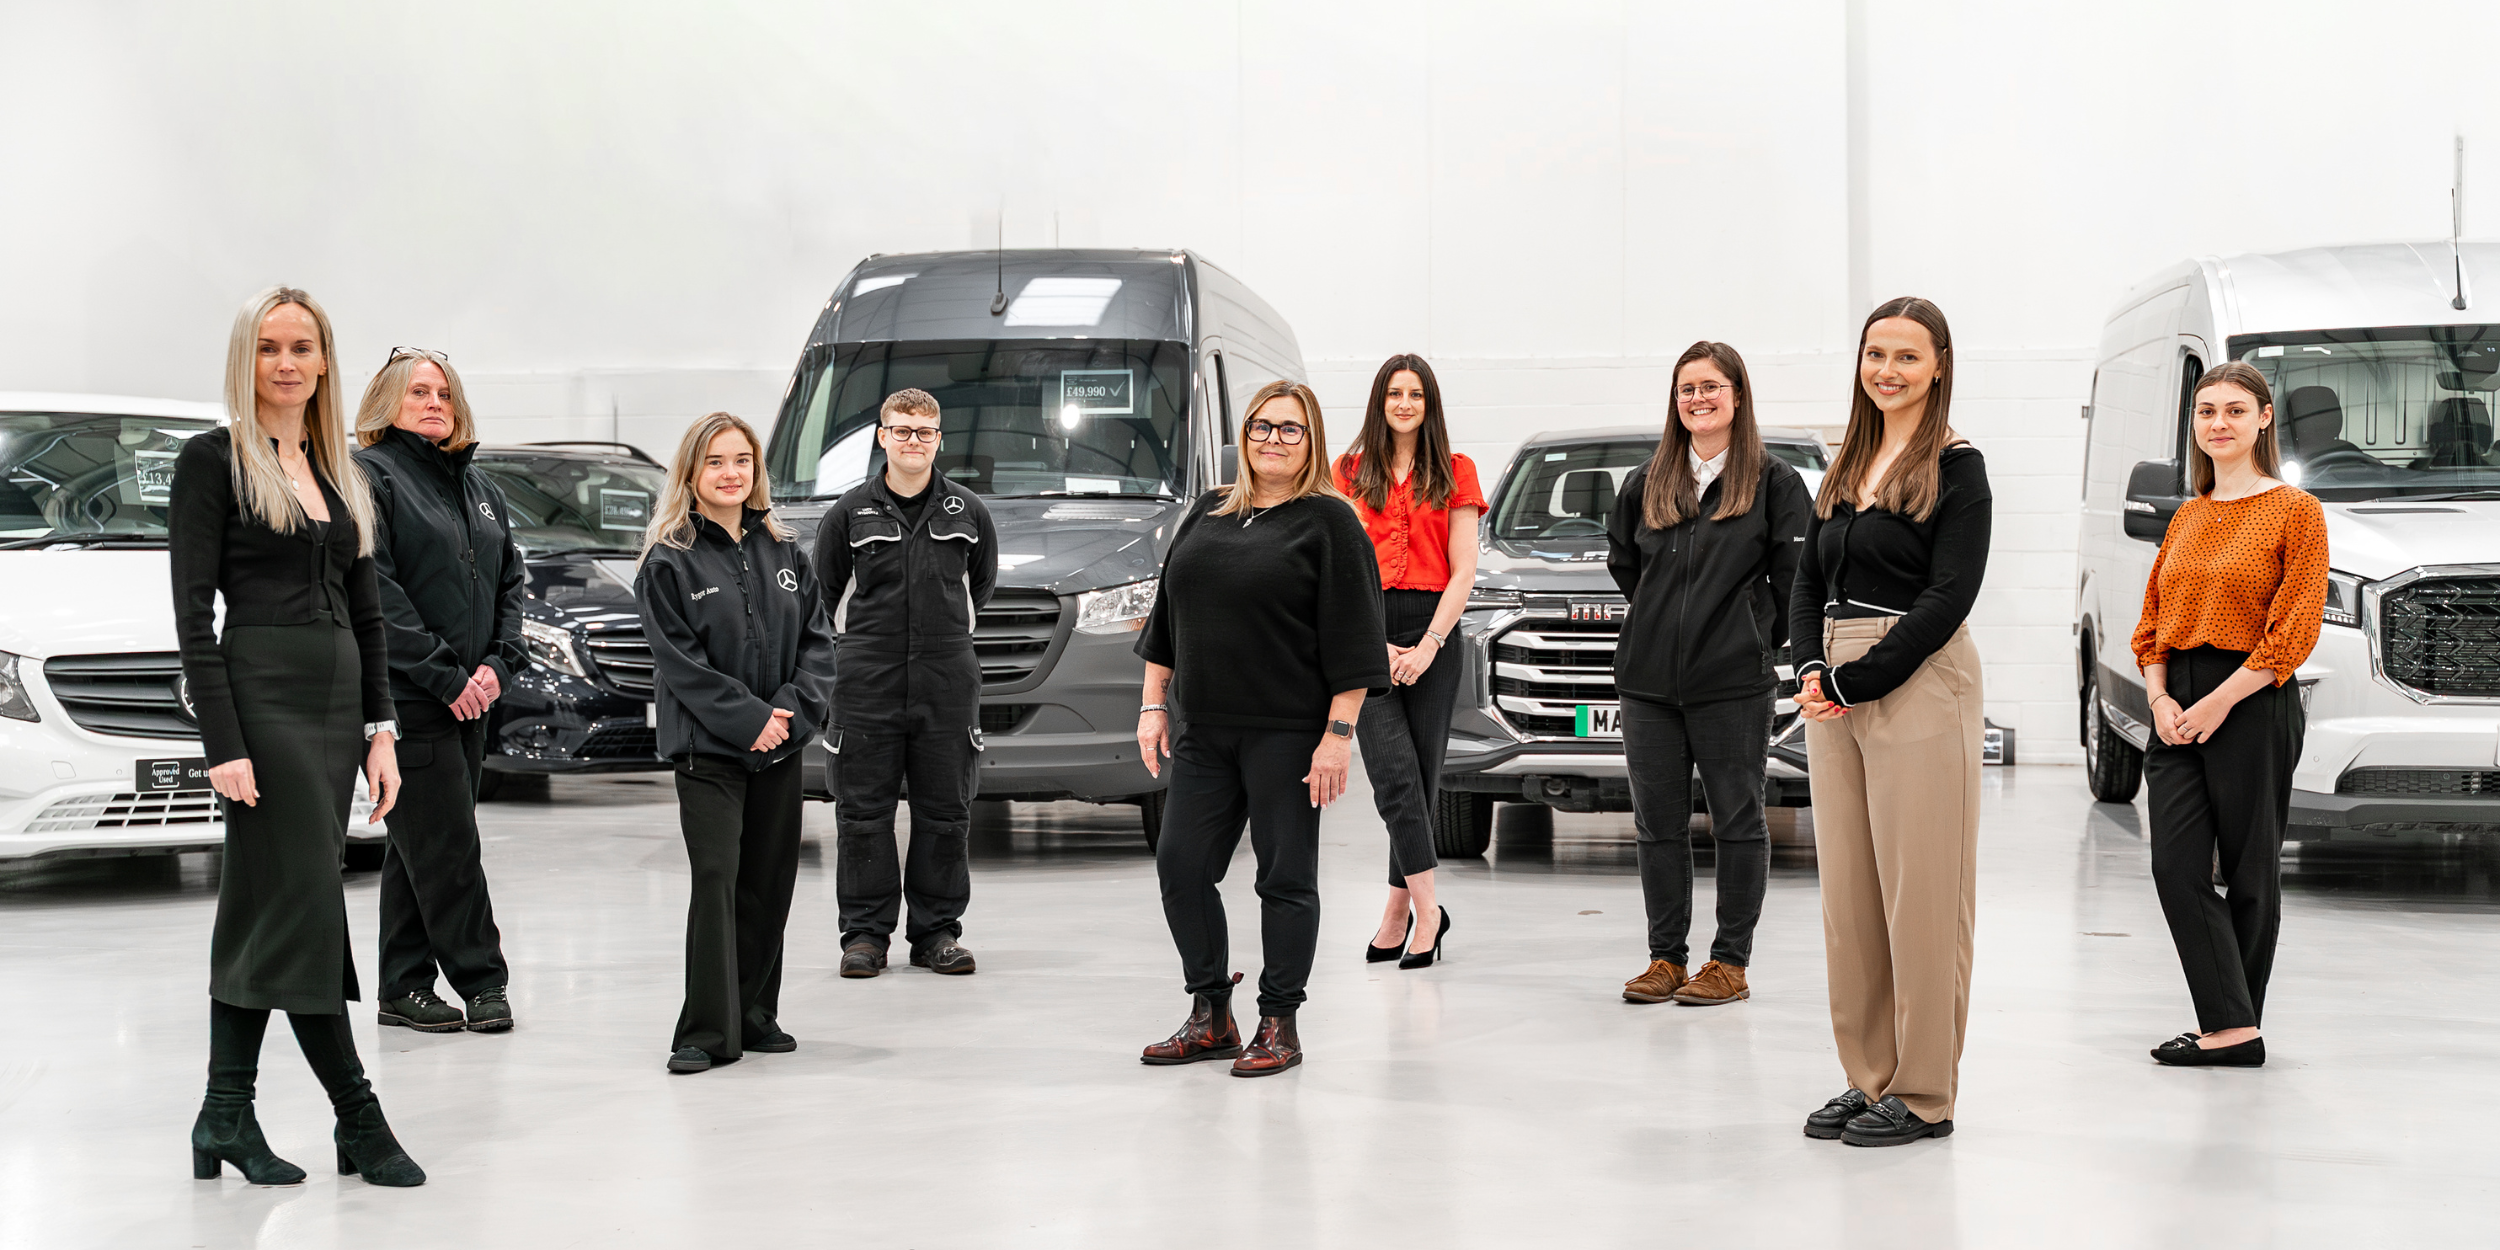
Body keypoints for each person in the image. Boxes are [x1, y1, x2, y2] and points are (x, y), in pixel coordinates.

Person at [172, 286, 420, 1187]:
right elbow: (192, 619)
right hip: (263, 701)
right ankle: (359, 1116)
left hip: (336, 703)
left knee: (270, 908)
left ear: (323, 362)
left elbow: (369, 612)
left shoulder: (339, 469)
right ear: (248, 359)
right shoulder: (212, 461)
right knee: (307, 904)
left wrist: (380, 732)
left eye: (302, 347)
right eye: (270, 347)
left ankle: (223, 1113)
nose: (286, 363)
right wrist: (224, 744)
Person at [1135, 379, 1391, 1077]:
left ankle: (1279, 1022)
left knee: (1284, 879)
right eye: (1261, 427)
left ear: (1311, 441)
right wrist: (1153, 704)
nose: (1273, 440)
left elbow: (1356, 641)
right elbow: (1167, 620)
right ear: (1243, 436)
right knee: (1181, 867)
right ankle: (1211, 1013)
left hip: (1288, 735)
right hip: (1204, 731)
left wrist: (1337, 737)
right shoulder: (1208, 511)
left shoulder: (1330, 523)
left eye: (1289, 429)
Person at [1788, 297, 1990, 1148]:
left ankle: (1924, 1091)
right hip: (1835, 685)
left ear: (1938, 366)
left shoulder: (1958, 466)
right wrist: (1810, 668)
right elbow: (1806, 578)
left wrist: (1856, 678)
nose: (1888, 371)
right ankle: (1868, 1076)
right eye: (1876, 354)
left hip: (1916, 677)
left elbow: (1949, 597)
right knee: (1852, 897)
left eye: (1907, 356)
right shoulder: (1846, 463)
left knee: (1923, 895)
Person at [2130, 361, 2327, 1069]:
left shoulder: (2296, 511)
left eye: (2235, 410)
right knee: (2176, 868)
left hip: (2251, 699)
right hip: (2177, 700)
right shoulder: (2187, 515)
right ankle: (2235, 1026)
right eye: (2206, 411)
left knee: (2249, 872)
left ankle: (2232, 1031)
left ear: (2264, 418)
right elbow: (2152, 622)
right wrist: (2160, 698)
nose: (2219, 423)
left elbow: (2295, 628)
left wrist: (2218, 701)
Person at [1606, 341, 1811, 1008]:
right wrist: (1661, 623)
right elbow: (1625, 565)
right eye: (1687, 389)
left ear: (1738, 395)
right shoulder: (1646, 482)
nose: (1698, 399)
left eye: (1711, 386)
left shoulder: (1775, 483)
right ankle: (1666, 958)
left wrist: (1749, 637)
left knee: (1738, 822)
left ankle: (1729, 963)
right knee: (1657, 825)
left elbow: (1796, 580)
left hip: (1733, 685)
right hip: (1648, 686)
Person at [636, 412, 836, 1074]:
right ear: (691, 472)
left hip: (779, 747)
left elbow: (819, 645)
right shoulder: (668, 561)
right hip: (709, 753)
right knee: (718, 881)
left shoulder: (786, 552)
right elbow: (680, 664)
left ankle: (754, 1015)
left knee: (768, 883)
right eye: (716, 461)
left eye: (742, 460)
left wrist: (788, 715)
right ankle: (704, 1031)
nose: (731, 473)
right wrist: (749, 718)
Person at [353, 347, 525, 1036]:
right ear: (387, 401)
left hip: (473, 696)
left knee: (419, 846)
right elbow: (375, 589)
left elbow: (510, 582)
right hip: (410, 700)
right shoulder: (369, 476)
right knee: (449, 845)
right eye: (419, 391)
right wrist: (445, 676)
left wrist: (500, 664)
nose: (434, 403)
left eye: (444, 394)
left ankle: (402, 985)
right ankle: (482, 981)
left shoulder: (480, 487)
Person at [812, 388, 999, 978]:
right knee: (862, 813)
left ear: (939, 439)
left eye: (924, 431)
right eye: (901, 430)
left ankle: (936, 932)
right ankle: (865, 936)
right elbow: (823, 598)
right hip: (867, 677)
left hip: (947, 676)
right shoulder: (848, 514)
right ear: (882, 437)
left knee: (946, 810)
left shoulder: (969, 512)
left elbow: (979, 588)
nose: (912, 441)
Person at [1332, 354, 1484, 970]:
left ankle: (1396, 913)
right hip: (1366, 631)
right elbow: (1340, 570)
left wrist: (1429, 645)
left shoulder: (1456, 470)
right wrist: (1373, 642)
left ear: (1429, 404)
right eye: (1394, 393)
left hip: (1435, 632)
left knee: (1420, 780)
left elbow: (1464, 569)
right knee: (1394, 776)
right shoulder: (1347, 471)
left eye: (1415, 394)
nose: (1404, 404)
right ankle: (1430, 912)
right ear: (1380, 402)